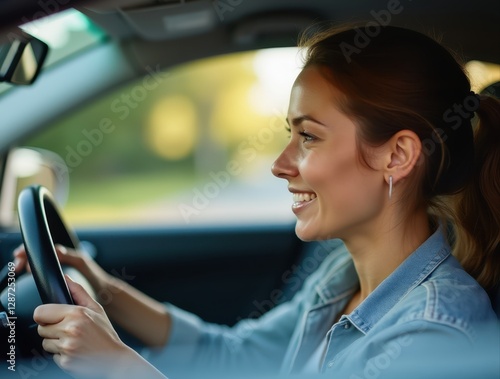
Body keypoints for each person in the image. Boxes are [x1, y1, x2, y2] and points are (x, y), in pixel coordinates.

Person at [14, 24, 500, 379]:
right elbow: (232, 355)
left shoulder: (433, 335)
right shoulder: (342, 278)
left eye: (308, 137)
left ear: (397, 155)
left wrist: (117, 366)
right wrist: (103, 289)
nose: (280, 164)